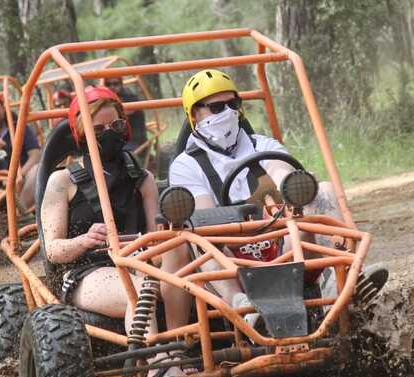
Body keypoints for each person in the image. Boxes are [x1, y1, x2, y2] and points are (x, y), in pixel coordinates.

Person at [162, 69, 388, 329]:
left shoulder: (263, 145)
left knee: (322, 190)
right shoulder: (186, 165)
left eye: (233, 104)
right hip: (225, 256)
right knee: (195, 229)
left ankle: (342, 282)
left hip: (282, 244)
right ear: (194, 115)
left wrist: (290, 185)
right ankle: (243, 307)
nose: (227, 112)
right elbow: (203, 216)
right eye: (216, 107)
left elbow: (283, 172)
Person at [39, 86, 191, 377]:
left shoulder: (142, 178)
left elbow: (156, 234)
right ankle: (158, 358)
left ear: (126, 127)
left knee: (180, 250)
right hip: (87, 270)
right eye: (99, 129)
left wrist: (160, 241)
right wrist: (85, 240)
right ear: (82, 132)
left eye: (116, 125)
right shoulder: (62, 180)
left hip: (138, 258)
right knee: (136, 289)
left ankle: (179, 349)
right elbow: (53, 250)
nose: (109, 133)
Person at [102, 77, 148, 152]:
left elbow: (121, 114)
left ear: (121, 84)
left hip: (134, 138)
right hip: (119, 139)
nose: (112, 87)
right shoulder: (106, 99)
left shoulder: (129, 97)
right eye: (108, 84)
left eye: (115, 84)